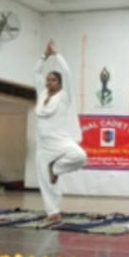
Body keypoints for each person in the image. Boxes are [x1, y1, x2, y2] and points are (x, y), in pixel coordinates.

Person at [34, 39, 87, 222]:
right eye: (48, 80)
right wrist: (44, 56)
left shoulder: (65, 96)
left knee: (80, 156)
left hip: (60, 141)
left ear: (60, 83)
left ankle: (55, 168)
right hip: (43, 144)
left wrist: (56, 55)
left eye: (53, 80)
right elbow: (36, 73)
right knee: (44, 180)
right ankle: (53, 212)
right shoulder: (41, 94)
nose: (49, 82)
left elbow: (68, 73)